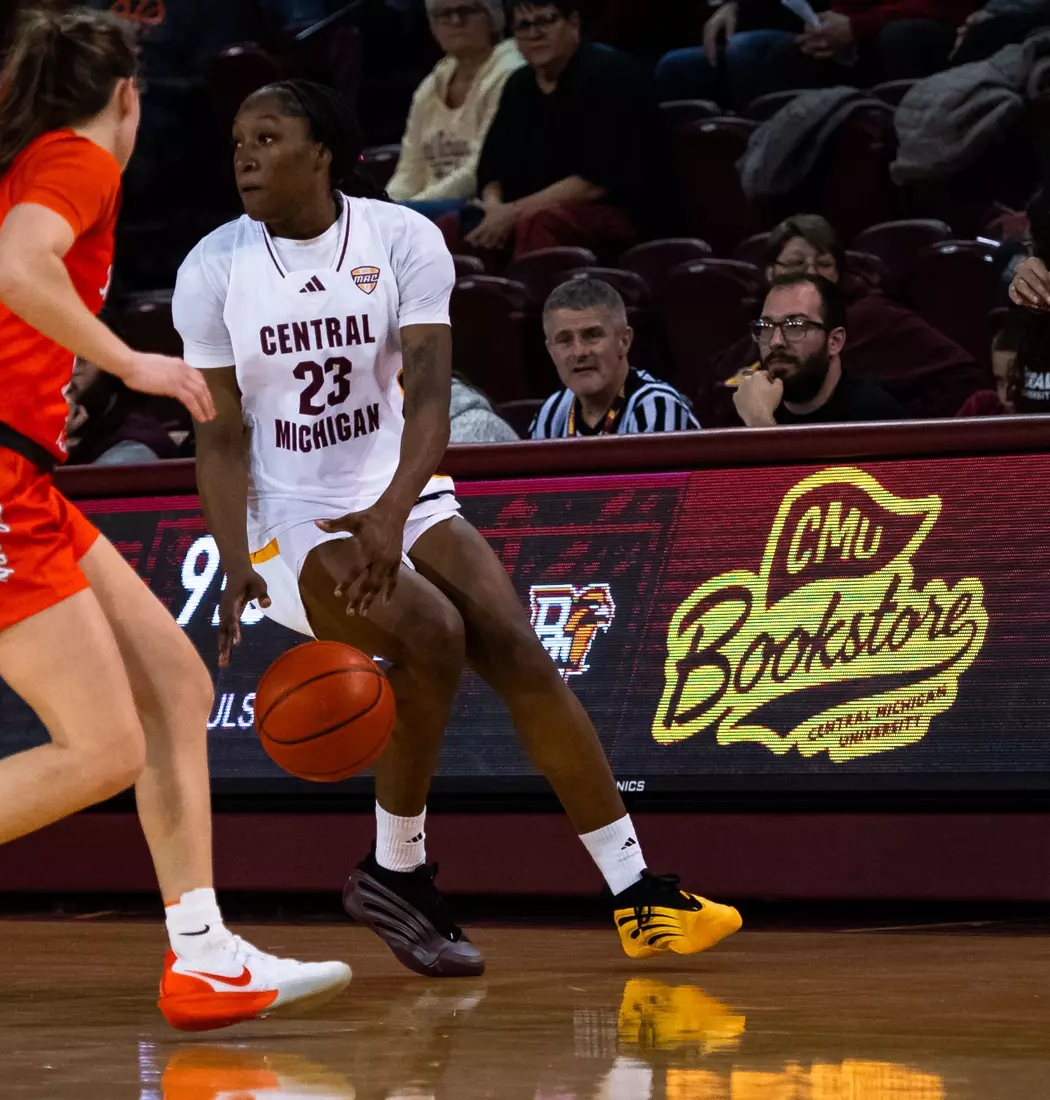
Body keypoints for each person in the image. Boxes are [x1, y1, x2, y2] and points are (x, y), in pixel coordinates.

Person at [0, 9, 351, 1031]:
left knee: (174, 687)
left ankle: (202, 953)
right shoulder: (80, 162)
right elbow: (17, 275)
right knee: (99, 747)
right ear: (128, 97)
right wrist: (135, 363)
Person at [176, 78, 741, 979]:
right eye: (238, 138)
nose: (243, 154)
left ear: (320, 151)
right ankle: (396, 871)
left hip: (399, 487)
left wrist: (393, 514)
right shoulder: (212, 266)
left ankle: (639, 898)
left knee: (516, 646)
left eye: (267, 137)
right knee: (432, 635)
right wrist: (236, 557)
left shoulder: (400, 238)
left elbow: (432, 395)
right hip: (285, 515)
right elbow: (219, 433)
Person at [702, 214, 980, 422]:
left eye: (823, 263)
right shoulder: (756, 337)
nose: (811, 272)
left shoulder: (874, 317)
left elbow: (962, 375)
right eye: (797, 264)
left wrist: (909, 426)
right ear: (771, 273)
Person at [463, 0, 653, 258]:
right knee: (451, 227)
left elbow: (595, 181)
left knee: (541, 222)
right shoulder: (518, 85)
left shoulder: (611, 74)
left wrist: (513, 213)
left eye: (545, 21)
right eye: (524, 25)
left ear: (573, 23)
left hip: (613, 213)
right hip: (523, 211)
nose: (534, 34)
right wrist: (494, 210)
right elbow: (492, 169)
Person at [654, 0, 975, 109]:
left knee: (899, 37)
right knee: (679, 67)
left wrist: (854, 26)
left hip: (923, 34)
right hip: (846, 31)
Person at [386, 0, 524, 220]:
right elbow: (409, 171)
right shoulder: (430, 84)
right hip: (426, 208)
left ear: (493, 17)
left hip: (479, 205)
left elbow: (478, 171)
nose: (455, 21)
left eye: (467, 10)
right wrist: (386, 207)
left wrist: (405, 212)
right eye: (443, 13)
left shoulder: (511, 72)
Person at [529, 277, 699, 437]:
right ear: (550, 350)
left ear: (624, 341)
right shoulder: (551, 413)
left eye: (592, 335)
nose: (579, 352)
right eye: (564, 340)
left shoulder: (658, 407)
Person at [732, 273, 907, 426]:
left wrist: (760, 424)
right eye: (766, 326)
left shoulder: (875, 418)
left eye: (795, 326)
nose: (775, 342)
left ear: (835, 341)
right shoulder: (745, 405)